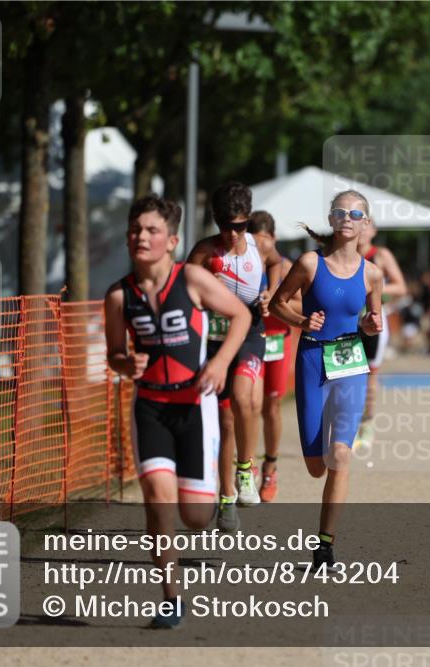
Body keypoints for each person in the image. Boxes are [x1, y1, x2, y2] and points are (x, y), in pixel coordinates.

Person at [104, 194, 252, 628]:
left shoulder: (191, 279)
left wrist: (220, 363)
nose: (141, 237)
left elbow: (241, 316)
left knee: (195, 517)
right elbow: (114, 354)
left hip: (194, 405)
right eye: (135, 230)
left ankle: (211, 488)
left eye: (152, 230)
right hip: (150, 406)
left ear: (171, 240)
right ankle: (171, 599)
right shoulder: (118, 296)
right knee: (157, 500)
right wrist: (125, 364)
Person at [269, 190, 383, 570]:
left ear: (366, 224)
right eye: (341, 212)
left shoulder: (372, 274)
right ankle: (324, 531)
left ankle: (325, 545)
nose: (348, 218)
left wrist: (370, 325)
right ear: (332, 219)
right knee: (317, 466)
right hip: (312, 360)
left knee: (341, 454)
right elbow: (277, 304)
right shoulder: (309, 263)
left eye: (356, 214)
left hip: (350, 360)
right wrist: (302, 321)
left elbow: (372, 323)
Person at [186, 182, 282, 530]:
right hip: (214, 339)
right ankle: (226, 497)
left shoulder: (261, 245)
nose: (233, 233)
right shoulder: (204, 252)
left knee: (244, 398)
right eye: (226, 226)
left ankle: (245, 470)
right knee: (225, 421)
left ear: (248, 220)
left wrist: (271, 291)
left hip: (251, 332)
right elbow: (184, 288)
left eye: (240, 226)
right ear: (216, 220)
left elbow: (276, 263)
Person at [247, 210, 298, 502]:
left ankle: (271, 466)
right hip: (251, 339)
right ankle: (248, 464)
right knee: (249, 405)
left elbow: (304, 302)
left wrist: (277, 299)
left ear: (273, 238)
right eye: (254, 241)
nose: (260, 247)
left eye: (264, 240)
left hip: (277, 341)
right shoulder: (245, 264)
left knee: (272, 406)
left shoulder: (287, 266)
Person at [354, 223, 407, 450]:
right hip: (348, 320)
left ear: (374, 231)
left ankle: (367, 423)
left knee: (370, 375)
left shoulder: (381, 255)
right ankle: (347, 424)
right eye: (359, 226)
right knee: (346, 374)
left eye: (367, 226)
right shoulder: (344, 254)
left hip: (373, 318)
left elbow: (401, 287)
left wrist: (374, 288)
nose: (362, 231)